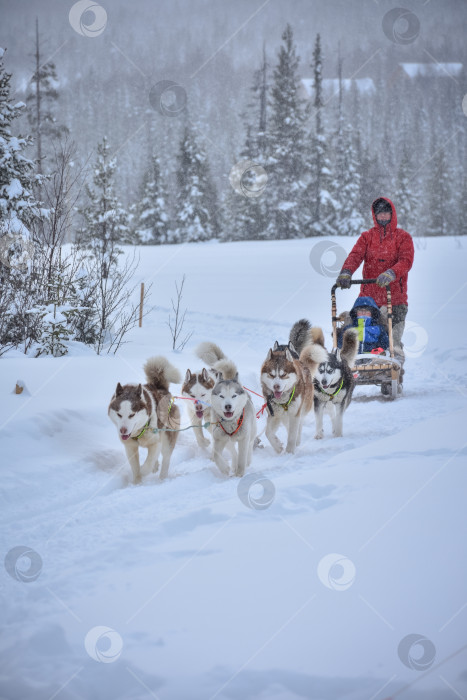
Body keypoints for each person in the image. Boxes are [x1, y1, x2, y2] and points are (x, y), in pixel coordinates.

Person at [336, 197, 414, 361]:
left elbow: (405, 261)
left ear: (392, 214)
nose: (383, 217)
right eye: (380, 214)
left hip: (395, 299)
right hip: (369, 299)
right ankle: (345, 358)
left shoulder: (403, 237)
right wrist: (346, 272)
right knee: (350, 329)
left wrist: (391, 273)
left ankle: (393, 372)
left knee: (393, 342)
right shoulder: (367, 237)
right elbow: (355, 255)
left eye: (386, 213)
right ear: (375, 215)